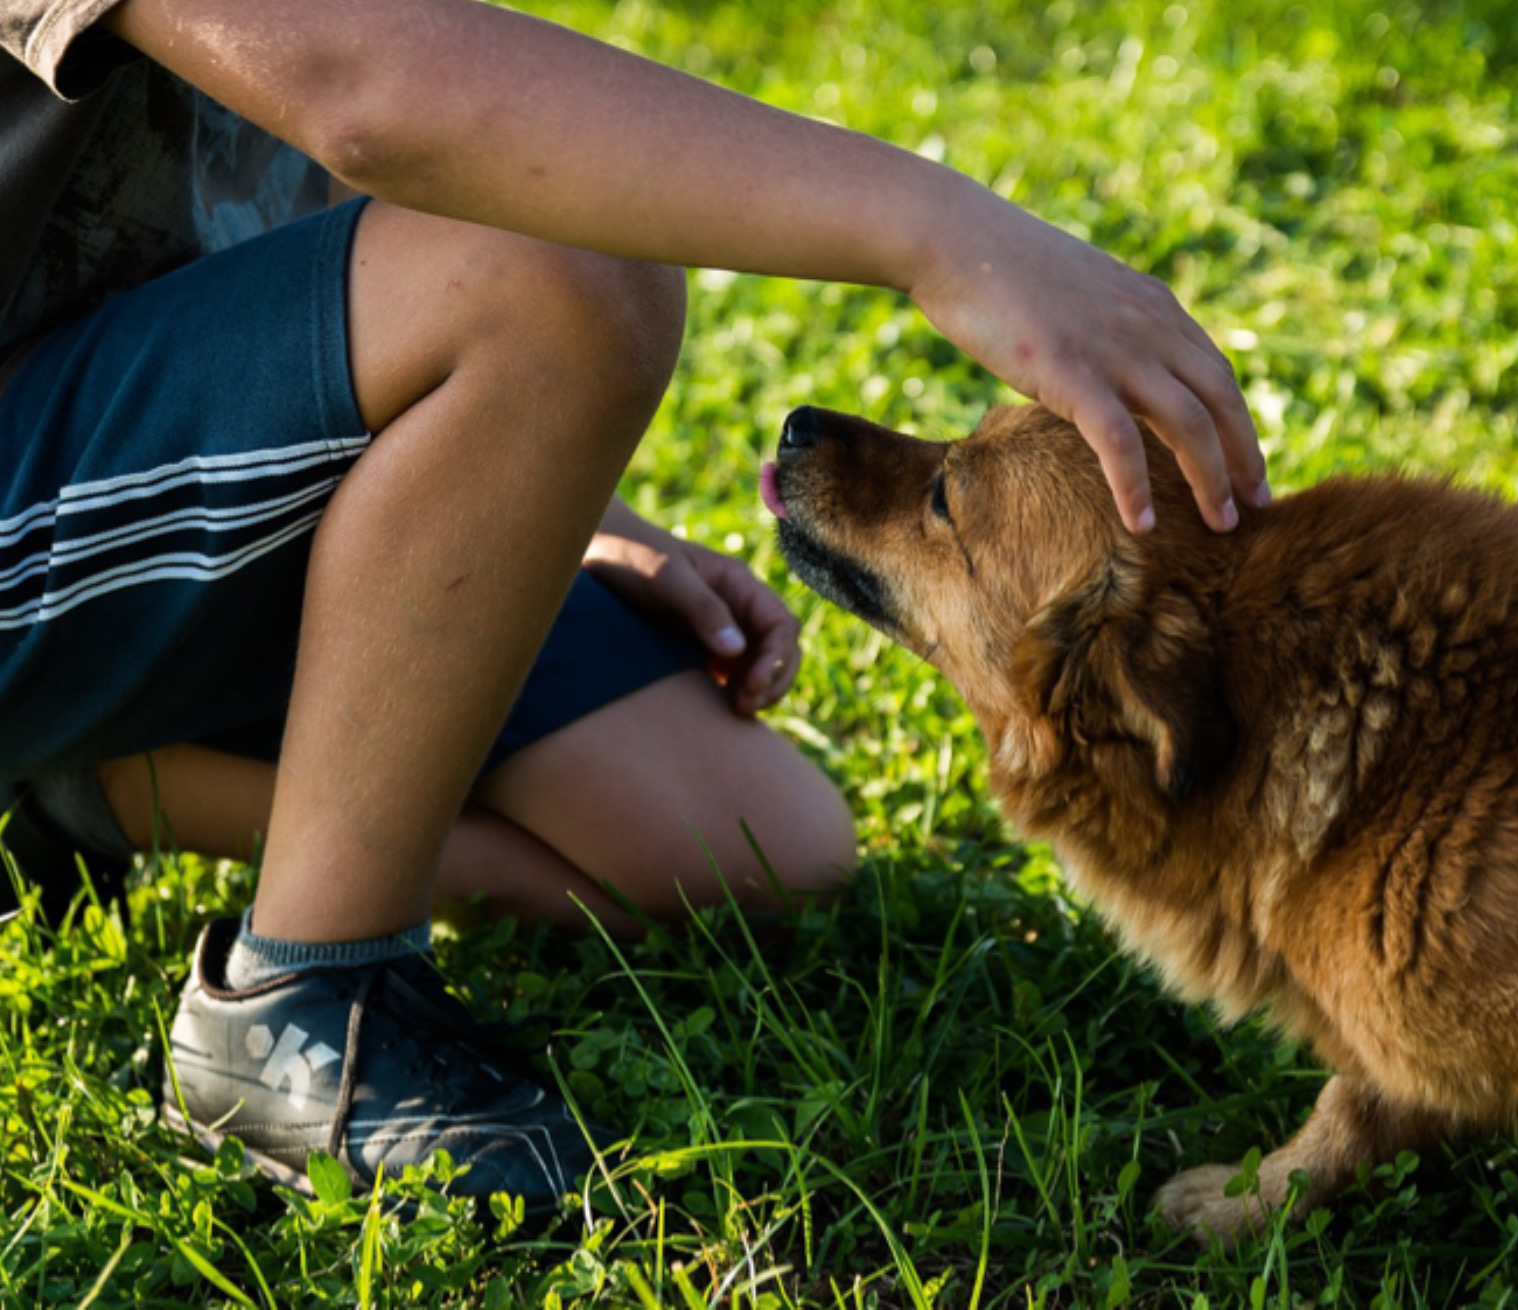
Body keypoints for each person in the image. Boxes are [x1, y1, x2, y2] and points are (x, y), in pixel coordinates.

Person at [0, 0, 1268, 1208]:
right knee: (566, 271)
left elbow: (344, 140)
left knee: (746, 845)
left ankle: (86, 786)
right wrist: (943, 233)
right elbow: (367, 90)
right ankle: (303, 1007)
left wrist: (522, 483)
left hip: (157, 436)